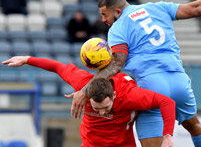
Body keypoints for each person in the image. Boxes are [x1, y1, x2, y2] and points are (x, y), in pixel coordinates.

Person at [69, 0, 201, 147]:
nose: (103, 19)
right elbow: (197, 9)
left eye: (104, 14)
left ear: (117, 11)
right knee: (195, 125)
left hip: (152, 85)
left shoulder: (118, 28)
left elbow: (117, 64)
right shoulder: (159, 7)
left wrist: (86, 90)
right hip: (179, 80)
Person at [2, 56, 176, 147]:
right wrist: (27, 59)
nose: (101, 113)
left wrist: (168, 136)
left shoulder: (129, 95)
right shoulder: (81, 84)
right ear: (87, 96)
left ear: (114, 96)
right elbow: (58, 67)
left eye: (106, 108)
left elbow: (168, 102)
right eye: (96, 107)